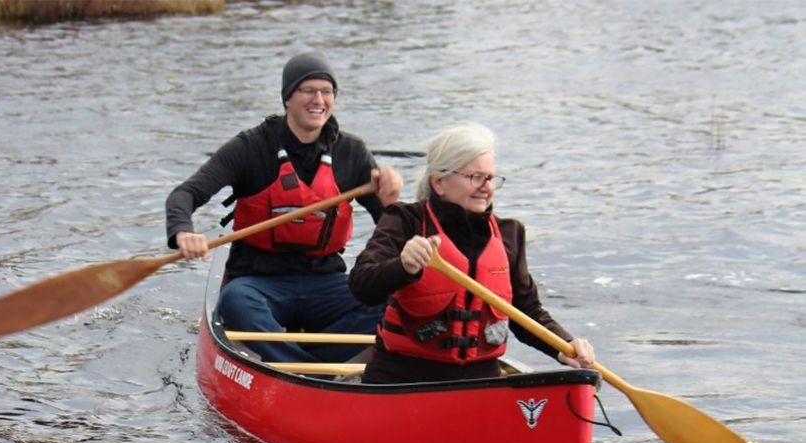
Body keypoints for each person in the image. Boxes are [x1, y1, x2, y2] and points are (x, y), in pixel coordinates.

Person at [165, 51, 402, 363]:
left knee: (392, 302)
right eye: (308, 90)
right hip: (257, 284)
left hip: (325, 281)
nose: (318, 100)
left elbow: (393, 228)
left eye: (326, 91)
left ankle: (300, 364)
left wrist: (392, 203)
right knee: (235, 303)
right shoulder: (250, 148)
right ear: (288, 98)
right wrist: (184, 232)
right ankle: (307, 369)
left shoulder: (352, 153)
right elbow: (184, 194)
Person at [348, 123, 595, 384]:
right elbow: (361, 285)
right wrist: (403, 267)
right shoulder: (405, 221)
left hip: (479, 382)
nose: (486, 187)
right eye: (474, 177)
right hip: (403, 380)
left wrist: (565, 346)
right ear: (439, 182)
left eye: (490, 178)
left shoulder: (509, 233)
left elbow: (527, 312)